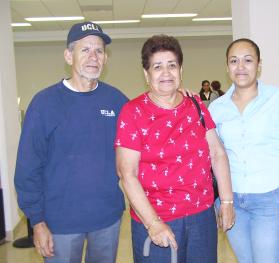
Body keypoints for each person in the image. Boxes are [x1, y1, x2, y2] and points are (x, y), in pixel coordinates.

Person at [14, 21, 128, 263]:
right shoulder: (44, 104)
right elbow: (27, 168)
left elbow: (147, 131)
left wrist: (179, 95)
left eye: (99, 50)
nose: (93, 57)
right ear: (68, 55)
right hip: (59, 224)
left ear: (105, 58)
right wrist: (37, 221)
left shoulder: (117, 101)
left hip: (106, 219)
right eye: (84, 49)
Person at [115, 34, 234, 263]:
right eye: (157, 67)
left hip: (202, 217)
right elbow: (126, 174)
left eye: (172, 65)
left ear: (181, 70)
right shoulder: (132, 112)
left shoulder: (196, 105)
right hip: (158, 219)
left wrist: (227, 201)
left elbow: (217, 153)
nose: (166, 73)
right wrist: (153, 223)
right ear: (146, 74)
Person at [208, 38, 279, 263]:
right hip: (232, 201)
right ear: (227, 67)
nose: (240, 67)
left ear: (259, 65)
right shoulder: (217, 107)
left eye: (248, 60)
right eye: (234, 61)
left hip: (271, 199)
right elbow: (213, 155)